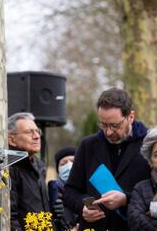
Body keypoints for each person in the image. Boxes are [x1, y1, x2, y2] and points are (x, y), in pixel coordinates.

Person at [63, 88, 151, 231]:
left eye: (115, 126)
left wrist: (126, 199)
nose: (109, 132)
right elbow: (70, 191)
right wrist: (82, 207)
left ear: (131, 117)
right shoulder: (88, 145)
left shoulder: (151, 144)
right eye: (103, 125)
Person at [8, 112, 51, 231]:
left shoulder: (39, 165)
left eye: (37, 131)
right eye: (29, 132)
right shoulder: (8, 168)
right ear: (12, 140)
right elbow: (10, 216)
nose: (37, 136)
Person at [48, 146, 78, 230]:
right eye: (63, 163)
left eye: (73, 161)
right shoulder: (52, 193)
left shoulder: (90, 190)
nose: (69, 166)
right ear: (58, 169)